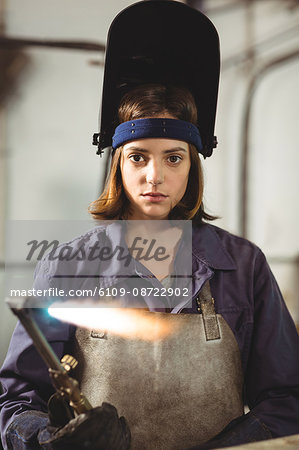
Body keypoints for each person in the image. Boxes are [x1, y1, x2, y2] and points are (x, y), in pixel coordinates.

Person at [1, 1, 299, 449]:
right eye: (138, 157)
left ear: (192, 167)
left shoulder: (244, 266)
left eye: (173, 158)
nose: (154, 177)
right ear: (118, 165)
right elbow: (16, 399)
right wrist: (48, 439)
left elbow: (286, 397)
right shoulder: (68, 266)